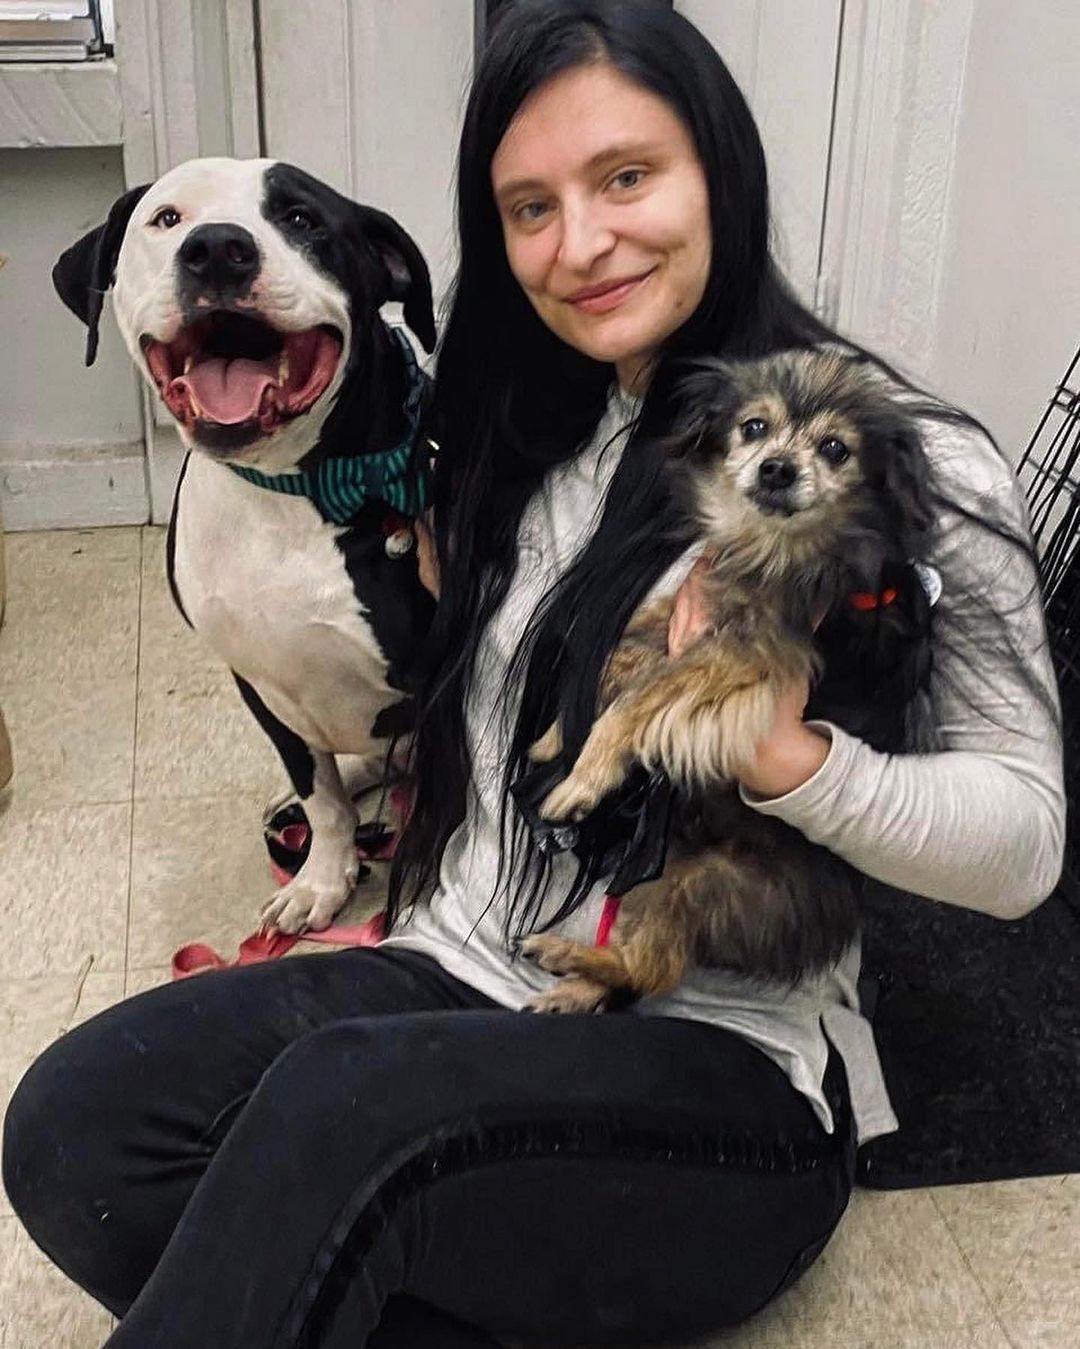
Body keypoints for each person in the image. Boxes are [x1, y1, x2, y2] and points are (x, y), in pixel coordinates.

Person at [2, 3, 1064, 1346]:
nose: (582, 242)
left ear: (721, 167)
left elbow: (1025, 845)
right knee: (74, 1128)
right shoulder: (509, 419)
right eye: (529, 207)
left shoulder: (894, 457)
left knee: (335, 1115)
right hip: (460, 974)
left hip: (719, 1073)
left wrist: (794, 763)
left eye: (627, 177)